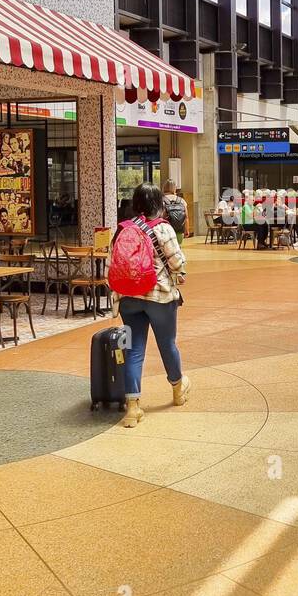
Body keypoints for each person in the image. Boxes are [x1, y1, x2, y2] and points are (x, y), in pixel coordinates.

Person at [111, 183, 188, 428]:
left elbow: (111, 265)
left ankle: (132, 408)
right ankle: (177, 389)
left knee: (132, 350)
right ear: (159, 204)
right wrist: (179, 273)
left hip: (128, 299)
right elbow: (177, 263)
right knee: (167, 345)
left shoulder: (123, 230)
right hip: (159, 298)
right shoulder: (163, 229)